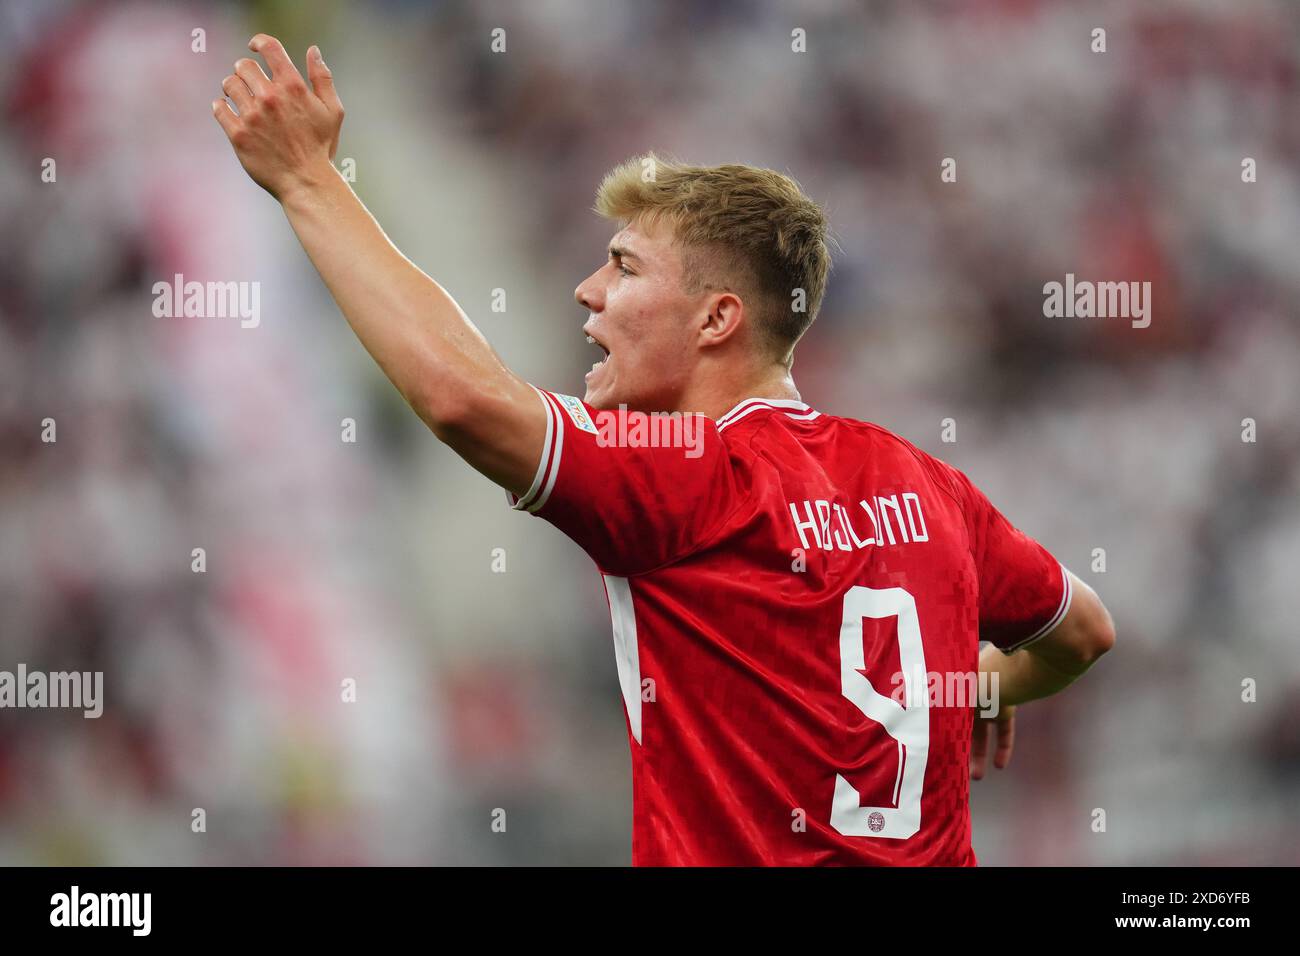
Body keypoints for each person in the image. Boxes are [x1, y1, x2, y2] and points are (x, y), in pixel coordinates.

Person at [213, 34, 1116, 865]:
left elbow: (462, 401)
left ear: (719, 319)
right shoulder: (931, 486)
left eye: (625, 267)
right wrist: (980, 689)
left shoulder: (688, 477)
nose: (586, 291)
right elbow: (1083, 633)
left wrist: (307, 182)